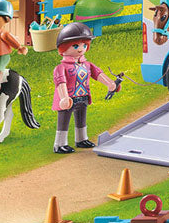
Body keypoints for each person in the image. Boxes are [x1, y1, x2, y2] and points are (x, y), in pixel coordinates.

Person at [51, 21, 119, 154]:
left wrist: (110, 83)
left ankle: (81, 139)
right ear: (63, 47)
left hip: (83, 97)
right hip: (69, 99)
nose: (80, 49)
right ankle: (60, 144)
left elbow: (98, 74)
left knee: (81, 119)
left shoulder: (86, 64)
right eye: (75, 45)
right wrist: (64, 97)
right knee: (63, 122)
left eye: (84, 45)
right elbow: (61, 82)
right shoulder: (61, 67)